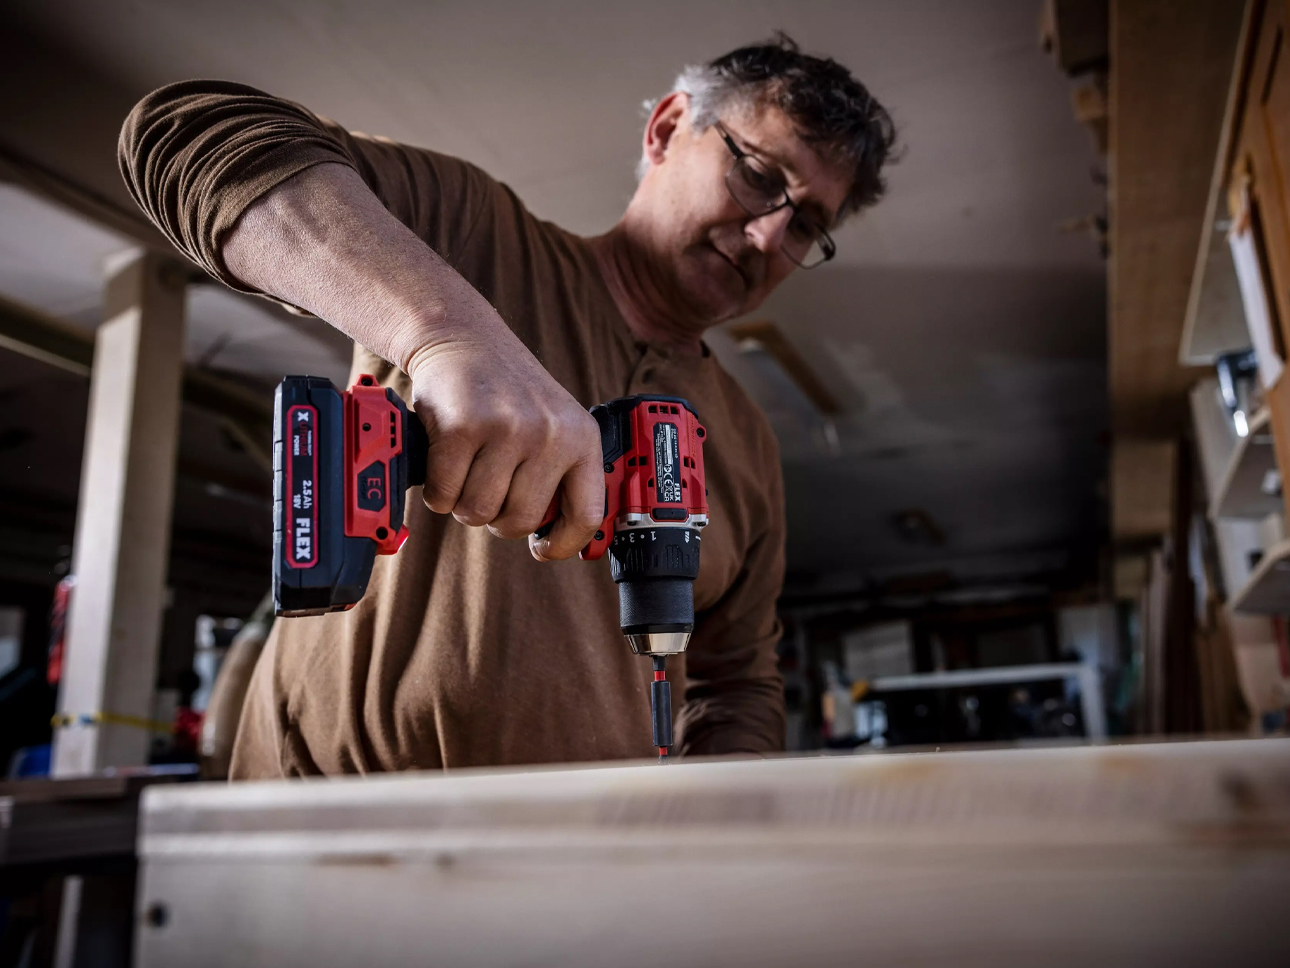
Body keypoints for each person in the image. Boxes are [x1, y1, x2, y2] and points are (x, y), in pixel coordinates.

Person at [119, 34, 896, 777]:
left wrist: (713, 831)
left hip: (579, 875)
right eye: (759, 177)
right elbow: (192, 135)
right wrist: (443, 332)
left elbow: (736, 685)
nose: (768, 237)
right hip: (327, 835)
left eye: (806, 224)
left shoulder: (746, 442)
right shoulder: (473, 234)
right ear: (666, 129)